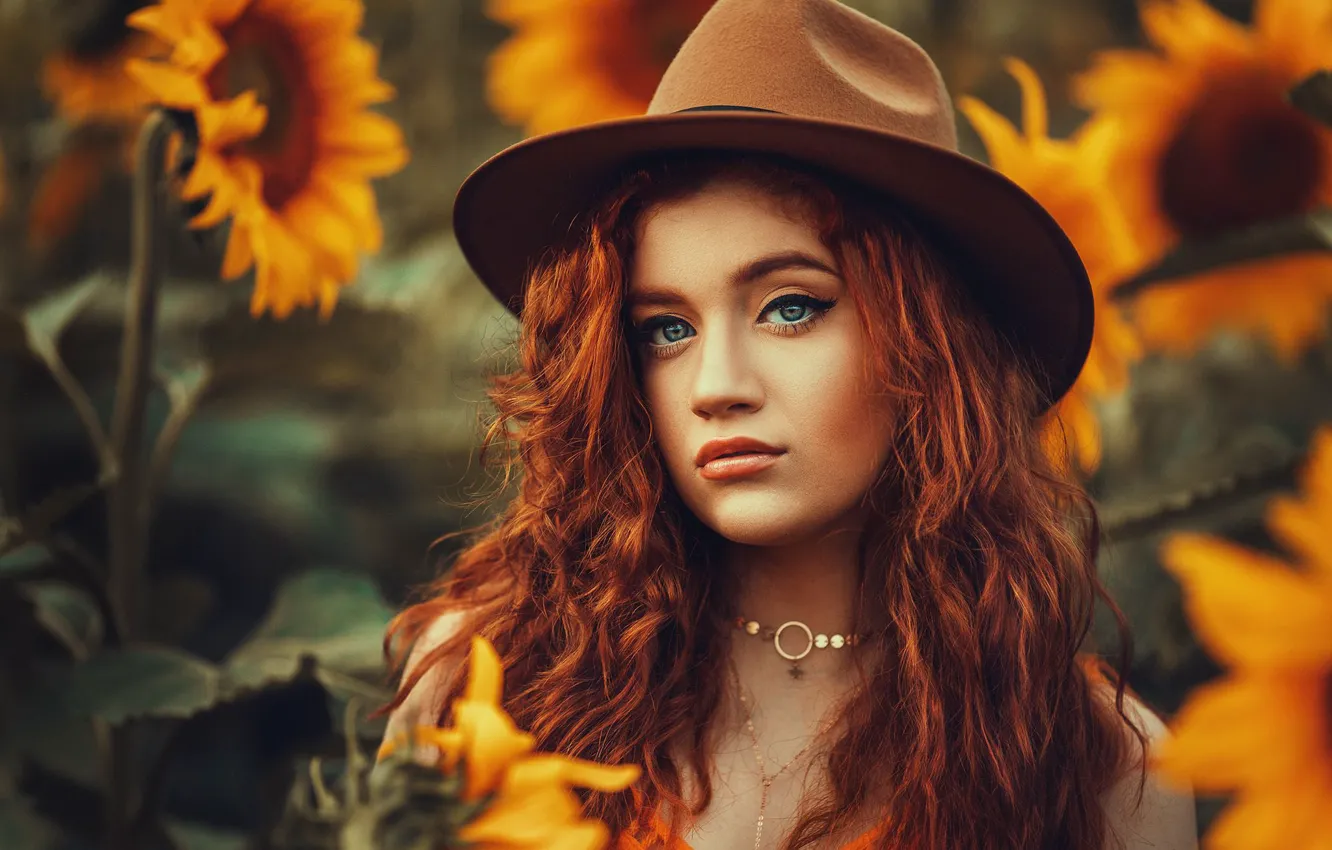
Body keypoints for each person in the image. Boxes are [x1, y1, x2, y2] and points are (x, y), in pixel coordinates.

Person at [379, 0, 1199, 847]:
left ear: (932, 343)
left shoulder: (1098, 771)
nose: (716, 386)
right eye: (665, 328)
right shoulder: (485, 688)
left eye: (790, 307)